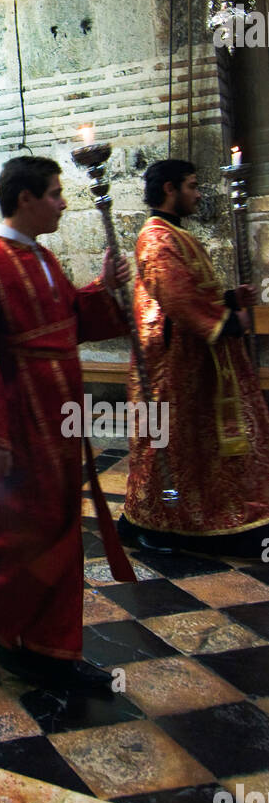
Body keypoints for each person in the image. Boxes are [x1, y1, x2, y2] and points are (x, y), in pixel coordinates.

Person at [0, 156, 136, 693]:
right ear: (24, 199)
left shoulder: (43, 259)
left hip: (60, 428)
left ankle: (47, 639)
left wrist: (104, 289)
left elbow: (69, 320)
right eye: (54, 193)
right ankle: (35, 643)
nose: (63, 202)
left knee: (57, 529)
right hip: (22, 432)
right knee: (27, 536)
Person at [120, 160, 269, 556]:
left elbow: (196, 291)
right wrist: (228, 321)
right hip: (172, 367)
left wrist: (229, 300)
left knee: (201, 449)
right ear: (170, 189)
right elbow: (178, 298)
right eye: (192, 185)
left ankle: (213, 515)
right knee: (167, 448)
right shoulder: (155, 238)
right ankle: (159, 523)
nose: (199, 193)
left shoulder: (175, 234)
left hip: (198, 362)